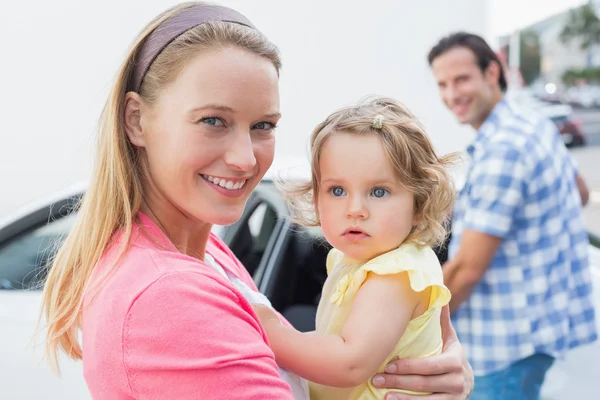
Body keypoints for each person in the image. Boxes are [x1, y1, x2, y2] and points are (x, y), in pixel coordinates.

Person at [38, 3, 473, 399]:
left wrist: (443, 369)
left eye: (263, 125)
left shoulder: (207, 251)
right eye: (213, 121)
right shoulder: (165, 294)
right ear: (137, 121)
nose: (246, 158)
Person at [427, 31, 597, 399]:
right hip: (536, 329)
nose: (452, 94)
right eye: (442, 84)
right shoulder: (531, 123)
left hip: (504, 346)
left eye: (461, 79)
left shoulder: (504, 148)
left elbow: (467, 269)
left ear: (492, 72)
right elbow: (580, 192)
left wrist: (410, 327)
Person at [252, 97, 458, 400]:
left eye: (378, 191)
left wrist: (270, 331)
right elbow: (335, 341)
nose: (356, 209)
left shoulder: (396, 274)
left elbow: (349, 363)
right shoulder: (356, 260)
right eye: (337, 190)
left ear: (418, 203)